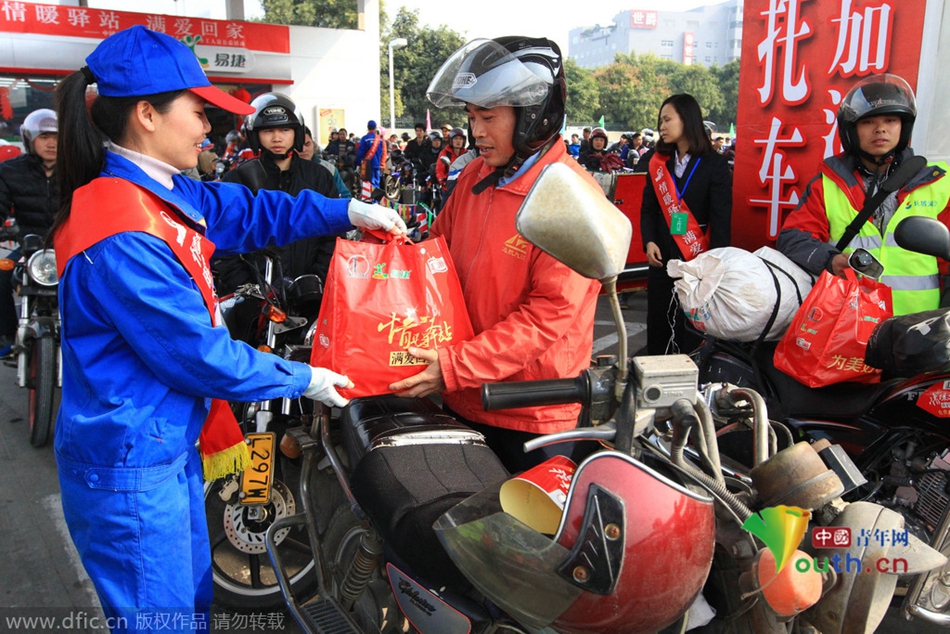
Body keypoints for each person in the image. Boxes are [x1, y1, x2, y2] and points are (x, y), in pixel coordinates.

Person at [50, 26, 405, 630]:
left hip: (164, 446)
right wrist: (305, 377)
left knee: (189, 609)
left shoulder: (160, 192)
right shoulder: (123, 229)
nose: (207, 128)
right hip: (132, 464)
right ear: (146, 114)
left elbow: (249, 209)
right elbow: (198, 355)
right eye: (197, 110)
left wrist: (345, 209)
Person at [389, 36, 601, 474]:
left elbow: (547, 316)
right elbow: (435, 254)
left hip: (531, 412)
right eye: (471, 117)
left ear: (535, 117)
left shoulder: (568, 197)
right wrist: (389, 253)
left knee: (525, 539)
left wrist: (454, 366)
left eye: (488, 117)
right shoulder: (474, 176)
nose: (476, 132)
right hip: (461, 393)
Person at [778, 74, 950, 316]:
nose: (880, 128)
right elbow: (793, 238)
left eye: (890, 120)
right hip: (847, 324)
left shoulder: (939, 183)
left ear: (904, 126)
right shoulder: (828, 183)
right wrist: (830, 259)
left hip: (919, 328)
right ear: (851, 130)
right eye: (868, 122)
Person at [215, 92, 343, 293]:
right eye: (268, 131)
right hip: (255, 301)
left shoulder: (319, 176)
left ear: (297, 133)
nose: (277, 138)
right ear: (255, 134)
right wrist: (249, 289)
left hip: (312, 295)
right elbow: (224, 243)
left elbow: (333, 236)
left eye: (285, 129)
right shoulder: (237, 180)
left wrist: (315, 281)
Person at [640, 93, 732, 355]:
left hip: (695, 259)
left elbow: (721, 218)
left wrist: (714, 263)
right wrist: (649, 241)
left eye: (668, 119)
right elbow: (648, 209)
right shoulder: (658, 163)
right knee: (658, 321)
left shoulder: (714, 164)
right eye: (660, 121)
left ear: (687, 120)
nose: (662, 126)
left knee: (690, 326)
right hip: (661, 256)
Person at [0, 108, 59, 353]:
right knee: (1, 275)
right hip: (29, 246)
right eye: (44, 137)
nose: (51, 144)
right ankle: (8, 336)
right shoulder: (10, 171)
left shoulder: (79, 170)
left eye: (56, 138)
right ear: (30, 139)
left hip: (71, 244)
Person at [303, 125, 352, 199]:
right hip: (334, 161)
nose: (303, 149)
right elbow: (326, 151)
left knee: (351, 172)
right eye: (298, 146)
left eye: (307, 144)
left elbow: (345, 198)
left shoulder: (329, 169)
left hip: (345, 165)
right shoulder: (333, 144)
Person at [358, 120, 384, 189]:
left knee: (369, 183)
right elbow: (382, 152)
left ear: (367, 127)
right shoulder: (380, 139)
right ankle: (376, 199)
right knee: (377, 182)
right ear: (375, 128)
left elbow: (361, 152)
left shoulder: (365, 139)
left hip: (367, 165)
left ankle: (370, 198)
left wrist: (358, 164)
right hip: (377, 164)